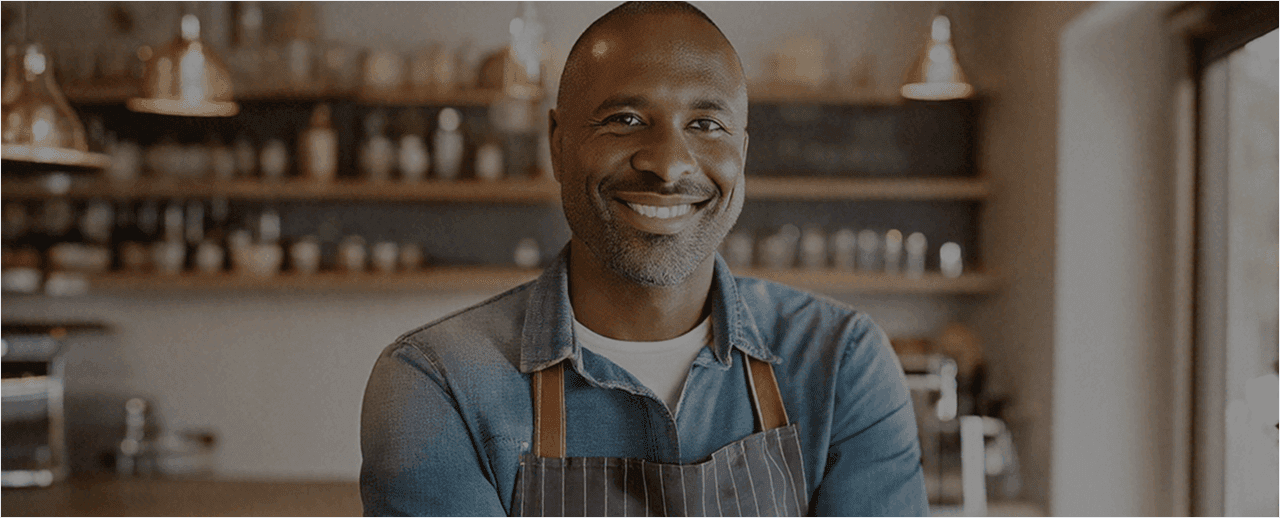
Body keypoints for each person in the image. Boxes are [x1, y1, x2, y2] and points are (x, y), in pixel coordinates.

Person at [360, 2, 928, 516]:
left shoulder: (841, 363)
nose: (669, 163)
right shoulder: (440, 383)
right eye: (625, 119)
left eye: (706, 124)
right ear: (557, 143)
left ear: (742, 152)